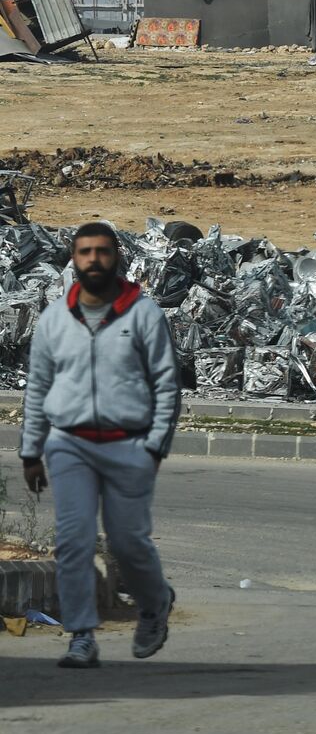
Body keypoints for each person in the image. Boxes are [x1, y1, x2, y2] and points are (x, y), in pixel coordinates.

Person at [21, 222, 181, 669]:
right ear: (72, 259)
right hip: (69, 444)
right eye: (85, 252)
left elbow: (167, 384)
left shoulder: (143, 314)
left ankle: (154, 603)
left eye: (103, 252)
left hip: (129, 444)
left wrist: (155, 447)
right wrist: (31, 451)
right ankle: (81, 636)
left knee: (128, 543)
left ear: (117, 258)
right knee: (72, 541)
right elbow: (38, 387)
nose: (94, 260)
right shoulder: (55, 318)